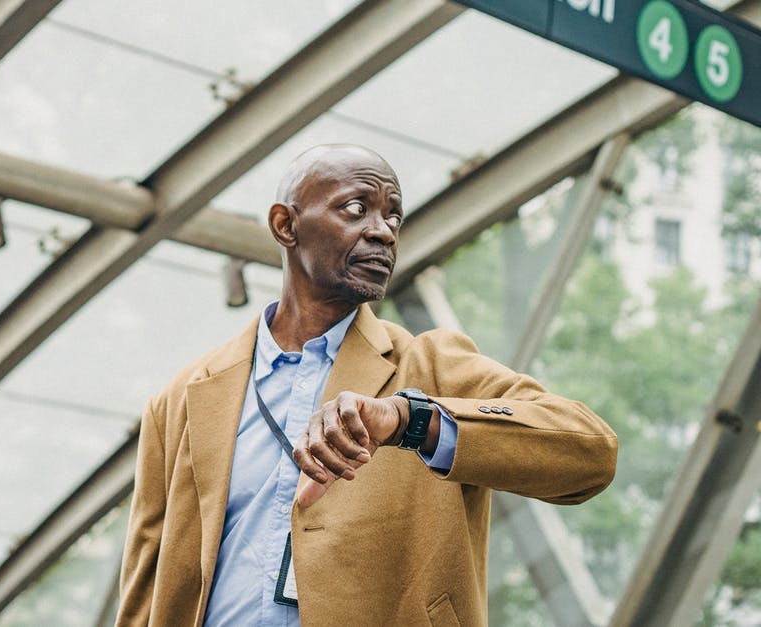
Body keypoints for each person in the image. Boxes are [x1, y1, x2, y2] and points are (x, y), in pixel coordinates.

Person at [115, 144, 618, 626]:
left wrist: (411, 419)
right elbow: (146, 588)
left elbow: (590, 451)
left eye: (393, 216)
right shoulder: (181, 399)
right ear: (285, 225)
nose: (383, 232)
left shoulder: (432, 366)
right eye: (356, 209)